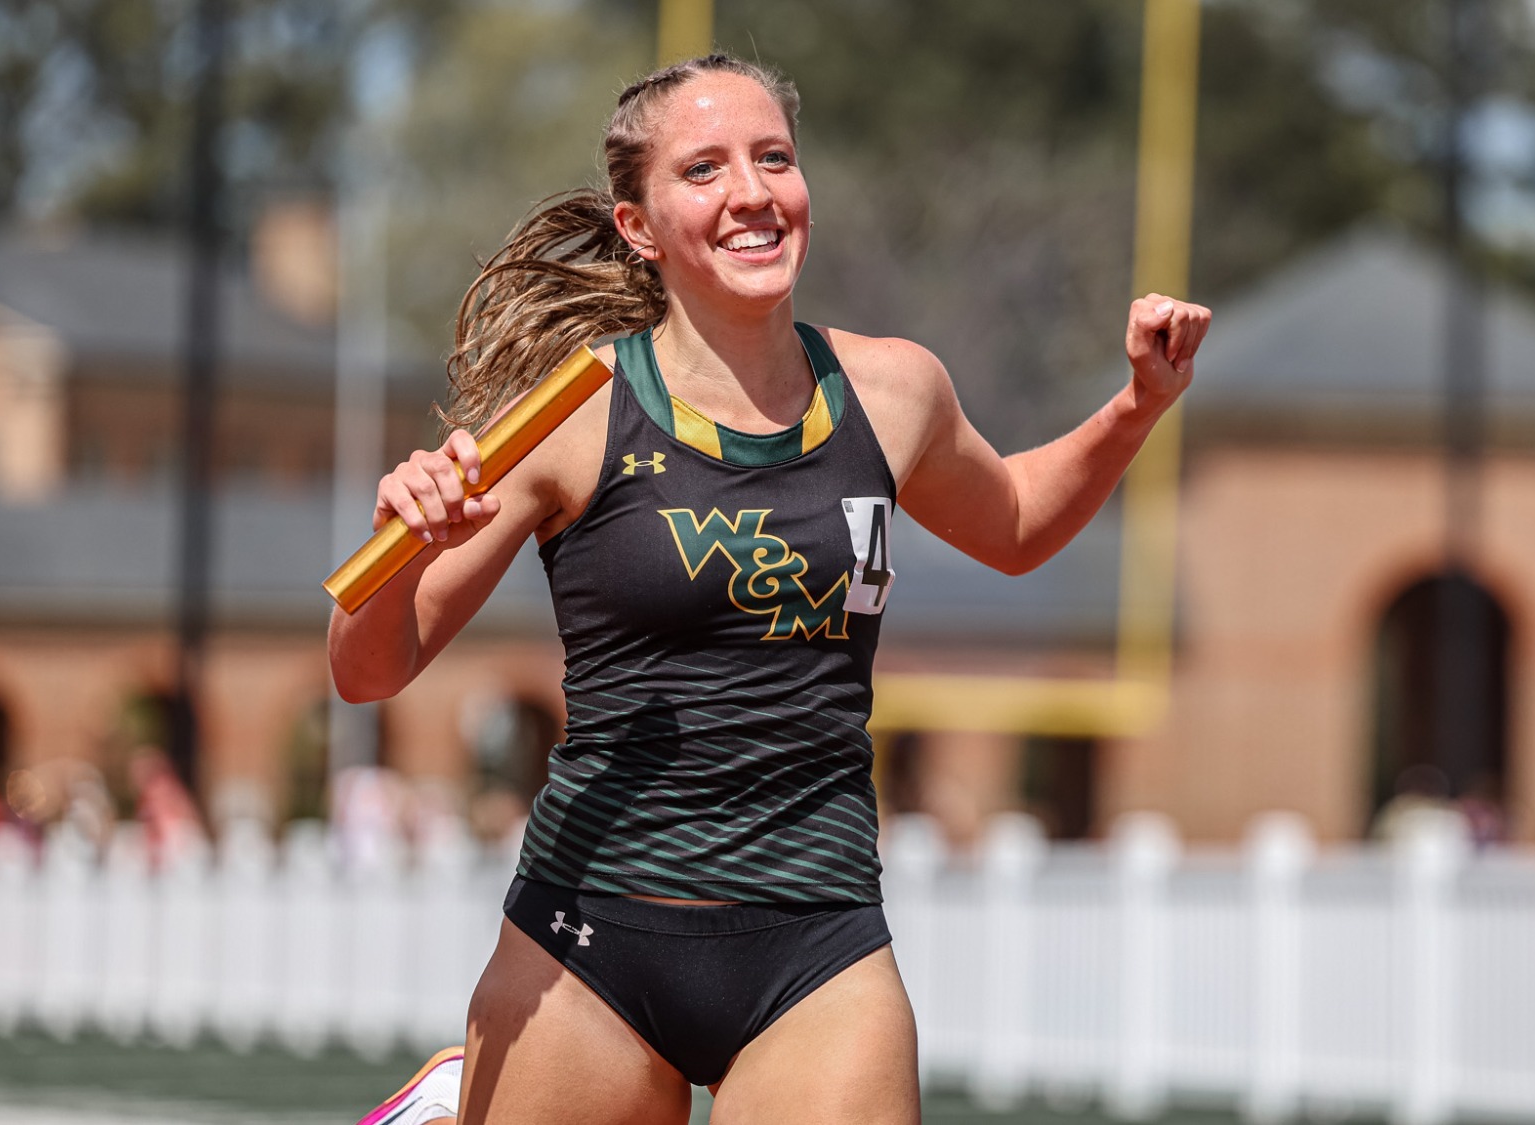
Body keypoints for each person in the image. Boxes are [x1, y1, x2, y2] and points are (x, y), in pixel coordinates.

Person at [338, 54, 1210, 1125]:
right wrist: (406, 543)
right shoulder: (568, 410)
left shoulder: (892, 391)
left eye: (774, 160)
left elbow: (1018, 526)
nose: (751, 192)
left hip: (816, 944)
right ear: (637, 226)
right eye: (702, 169)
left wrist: (1136, 402)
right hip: (594, 943)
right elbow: (369, 668)